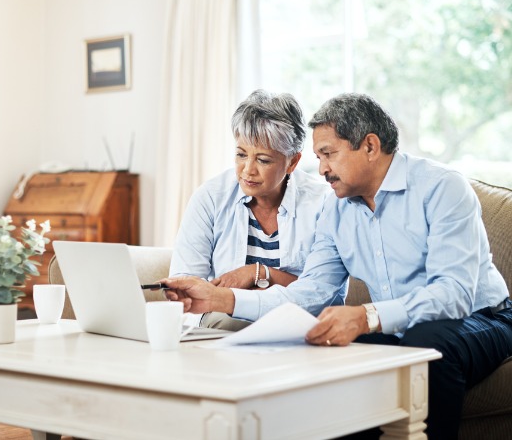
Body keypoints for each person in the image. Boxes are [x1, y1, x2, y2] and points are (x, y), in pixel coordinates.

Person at [162, 92, 512, 439]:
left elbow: (454, 295)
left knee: (425, 344)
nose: (322, 168)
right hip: (401, 327)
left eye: (328, 154)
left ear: (370, 146)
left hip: (481, 317)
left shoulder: (442, 187)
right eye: (318, 156)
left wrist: (366, 316)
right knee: (343, 361)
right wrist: (219, 300)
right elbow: (309, 294)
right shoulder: (336, 210)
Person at [170, 89, 331, 331]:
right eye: (241, 154)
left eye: (263, 160)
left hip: (295, 324)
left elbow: (324, 294)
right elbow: (186, 284)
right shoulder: (211, 198)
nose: (247, 170)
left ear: (293, 162)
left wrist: (258, 273)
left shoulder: (322, 204)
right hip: (223, 324)